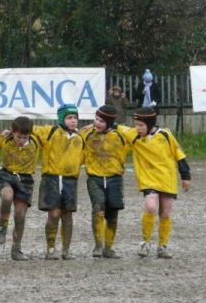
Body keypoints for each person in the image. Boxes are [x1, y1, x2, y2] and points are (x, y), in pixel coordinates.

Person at [118, 107, 191, 258]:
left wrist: (186, 175)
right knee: (151, 207)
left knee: (165, 214)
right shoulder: (134, 135)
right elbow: (114, 125)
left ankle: (163, 246)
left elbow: (179, 154)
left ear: (150, 124)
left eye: (141, 125)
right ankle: (145, 243)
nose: (137, 128)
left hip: (167, 178)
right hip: (148, 179)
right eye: (136, 124)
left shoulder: (165, 135)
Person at [34, 104, 84, 260]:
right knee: (54, 214)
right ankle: (50, 248)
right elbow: (30, 129)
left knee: (68, 215)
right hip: (52, 179)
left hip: (71, 180)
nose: (73, 121)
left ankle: (66, 250)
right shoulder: (51, 132)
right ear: (62, 118)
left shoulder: (79, 137)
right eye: (69, 118)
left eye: (75, 118)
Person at [80, 105, 130, 259]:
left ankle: (108, 248)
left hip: (115, 179)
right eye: (96, 119)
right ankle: (98, 245)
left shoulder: (120, 135)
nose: (97, 123)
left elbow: (137, 134)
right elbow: (71, 135)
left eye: (101, 121)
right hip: (95, 178)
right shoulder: (87, 133)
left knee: (112, 215)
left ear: (109, 122)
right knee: (98, 208)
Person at [0, 116, 40, 261]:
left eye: (25, 137)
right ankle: (2, 227)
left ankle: (16, 249)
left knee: (20, 215)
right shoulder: (4, 138)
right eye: (19, 136)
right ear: (13, 132)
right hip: (6, 174)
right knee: (7, 196)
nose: (22, 140)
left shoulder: (36, 141)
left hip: (25, 180)